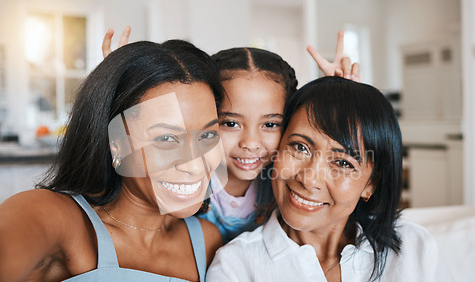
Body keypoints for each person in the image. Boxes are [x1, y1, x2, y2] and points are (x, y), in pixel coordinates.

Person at [0, 39, 224, 282]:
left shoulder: (206, 241)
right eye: (165, 139)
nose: (195, 165)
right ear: (116, 143)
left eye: (208, 135)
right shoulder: (57, 218)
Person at [205, 76, 465, 282]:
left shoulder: (414, 248)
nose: (309, 179)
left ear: (371, 184)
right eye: (299, 147)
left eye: (342, 163)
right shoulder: (234, 269)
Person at [103, 28, 360, 243]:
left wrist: (339, 104)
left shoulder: (287, 184)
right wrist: (122, 92)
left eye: (270, 125)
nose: (250, 143)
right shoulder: (187, 175)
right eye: (230, 123)